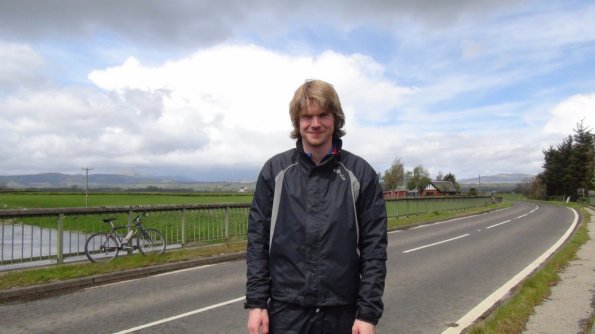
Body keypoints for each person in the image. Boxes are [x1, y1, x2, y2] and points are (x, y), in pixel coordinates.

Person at [245, 79, 388, 334]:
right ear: (297, 122)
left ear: (336, 119)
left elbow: (374, 249)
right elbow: (257, 241)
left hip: (342, 312)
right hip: (286, 313)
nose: (315, 124)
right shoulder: (275, 171)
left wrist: (368, 313)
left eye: (323, 115)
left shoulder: (360, 173)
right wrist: (257, 303)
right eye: (307, 116)